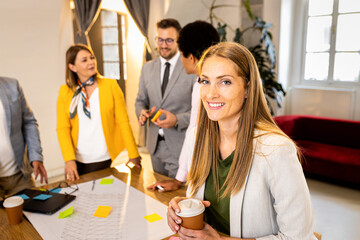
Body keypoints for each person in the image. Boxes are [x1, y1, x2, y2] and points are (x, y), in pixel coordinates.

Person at [167, 42, 316, 239]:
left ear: (248, 89)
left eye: (225, 82)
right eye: (205, 81)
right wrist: (186, 206)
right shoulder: (197, 137)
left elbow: (299, 237)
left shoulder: (276, 150)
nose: (211, 93)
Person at [148, 20, 220, 191]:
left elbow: (193, 133)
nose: (180, 60)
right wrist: (179, 179)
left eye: (181, 54)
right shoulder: (204, 82)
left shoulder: (202, 87)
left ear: (192, 58)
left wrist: (180, 179)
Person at [57, 44, 141, 181]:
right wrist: (69, 160)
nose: (91, 62)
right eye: (84, 60)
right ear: (72, 67)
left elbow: (123, 121)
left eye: (92, 57)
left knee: (105, 198)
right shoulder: (65, 92)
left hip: (105, 157)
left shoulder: (110, 86)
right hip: (78, 159)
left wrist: (133, 153)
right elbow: (63, 129)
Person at [135, 19, 195, 178]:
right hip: (154, 146)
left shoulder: (191, 68)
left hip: (180, 147)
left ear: (178, 40)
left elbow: (200, 111)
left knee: (179, 197)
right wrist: (142, 112)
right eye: (160, 39)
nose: (163, 45)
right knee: (159, 195)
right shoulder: (147, 68)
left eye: (169, 40)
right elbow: (141, 100)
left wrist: (177, 119)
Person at [0, 76, 48, 199]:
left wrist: (36, 157)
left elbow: (29, 122)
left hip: (21, 176)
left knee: (33, 215)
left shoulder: (12, 85)